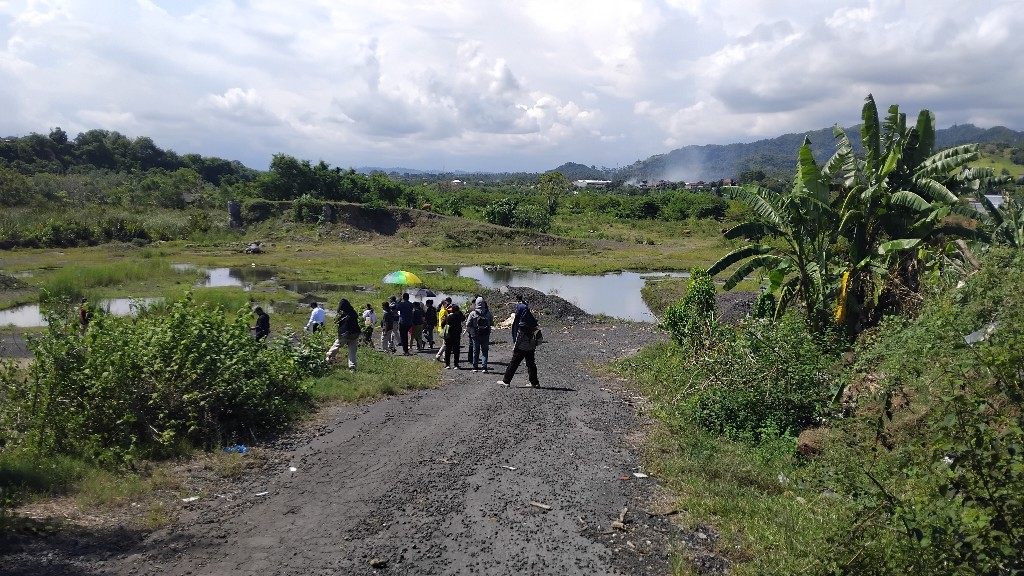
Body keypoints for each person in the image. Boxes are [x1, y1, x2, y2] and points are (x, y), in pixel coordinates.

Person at [499, 297, 540, 388]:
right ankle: (535, 383)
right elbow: (537, 334)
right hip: (531, 347)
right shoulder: (532, 322)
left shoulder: (521, 324)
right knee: (531, 364)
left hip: (522, 347)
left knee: (514, 363)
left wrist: (514, 348)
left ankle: (506, 381)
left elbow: (518, 338)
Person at [326, 298, 361, 370]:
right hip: (355, 333)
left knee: (336, 345)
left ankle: (328, 358)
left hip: (345, 334)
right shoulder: (353, 312)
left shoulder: (342, 314)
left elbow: (337, 322)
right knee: (352, 351)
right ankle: (352, 366)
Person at [467, 296, 494, 372]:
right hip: (485, 334)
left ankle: (475, 367)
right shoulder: (488, 313)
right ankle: (484, 367)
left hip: (475, 334)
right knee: (485, 351)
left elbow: (468, 323)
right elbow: (492, 323)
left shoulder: (473, 313)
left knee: (476, 350)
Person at [441, 303, 465, 369]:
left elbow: (442, 324)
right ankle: (456, 364)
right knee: (456, 350)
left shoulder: (449, 317)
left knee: (448, 349)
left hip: (449, 335)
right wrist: (460, 312)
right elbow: (464, 318)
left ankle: (447, 364)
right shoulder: (459, 317)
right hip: (456, 335)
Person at [434, 297, 452, 362]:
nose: (448, 305)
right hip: (445, 329)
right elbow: (446, 320)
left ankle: (445, 357)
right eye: (446, 304)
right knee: (445, 344)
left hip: (440, 328)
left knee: (445, 343)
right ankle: (438, 356)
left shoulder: (441, 310)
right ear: (444, 304)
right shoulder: (445, 311)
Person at [466, 293, 481, 366]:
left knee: (472, 344)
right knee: (473, 344)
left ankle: (472, 358)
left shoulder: (470, 307)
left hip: (470, 328)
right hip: (474, 328)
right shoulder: (474, 308)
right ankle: (472, 358)